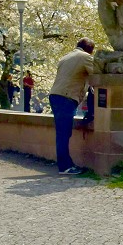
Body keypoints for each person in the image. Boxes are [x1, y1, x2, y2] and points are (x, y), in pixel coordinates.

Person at [49, 38, 95, 175]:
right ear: (90, 49)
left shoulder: (66, 57)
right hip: (66, 97)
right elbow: (98, 75)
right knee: (64, 133)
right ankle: (65, 167)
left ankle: (66, 164)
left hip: (55, 95)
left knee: (61, 132)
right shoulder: (85, 57)